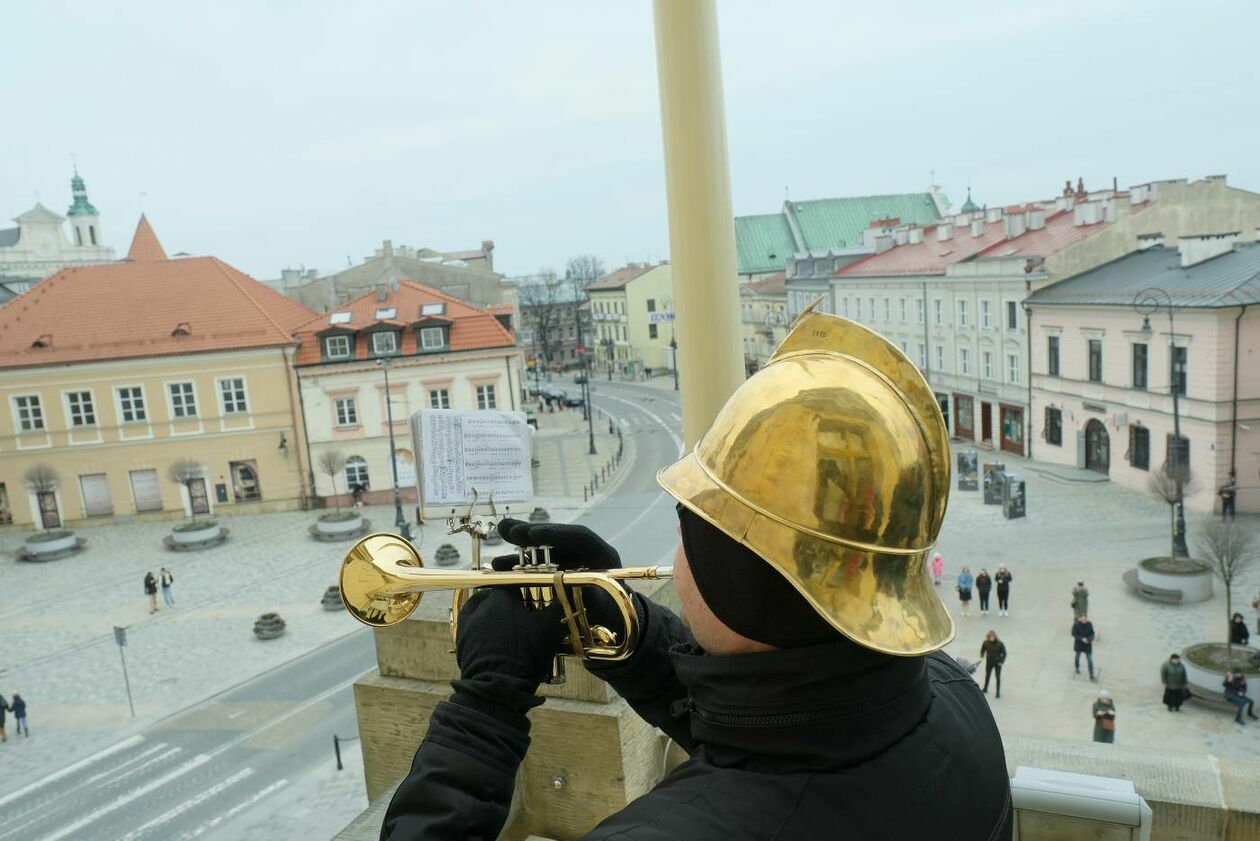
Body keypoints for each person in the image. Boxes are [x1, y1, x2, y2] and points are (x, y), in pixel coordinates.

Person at [377, 307, 1012, 840]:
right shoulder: (954, 701)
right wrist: (622, 620)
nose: (677, 561)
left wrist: (485, 706)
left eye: (688, 536)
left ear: (733, 580)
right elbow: (783, 726)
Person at [979, 630, 1006, 698]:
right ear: (988, 637)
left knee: (998, 677)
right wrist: (982, 655)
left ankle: (998, 692)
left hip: (997, 663)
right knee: (987, 676)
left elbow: (1004, 653)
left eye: (993, 637)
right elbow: (982, 650)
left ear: (995, 637)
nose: (992, 638)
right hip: (989, 662)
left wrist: (1001, 661)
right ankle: (985, 688)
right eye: (990, 637)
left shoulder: (1000, 644)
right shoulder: (985, 643)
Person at [1072, 614, 1097, 681]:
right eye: (1082, 619)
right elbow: (1073, 633)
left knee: (1090, 660)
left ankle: (1091, 675)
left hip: (1087, 645)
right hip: (1079, 644)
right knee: (1077, 657)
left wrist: (1088, 639)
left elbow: (1092, 634)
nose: (1084, 620)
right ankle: (1077, 668)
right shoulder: (1076, 624)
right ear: (1080, 619)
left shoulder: (1089, 624)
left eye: (1085, 619)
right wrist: (1081, 639)